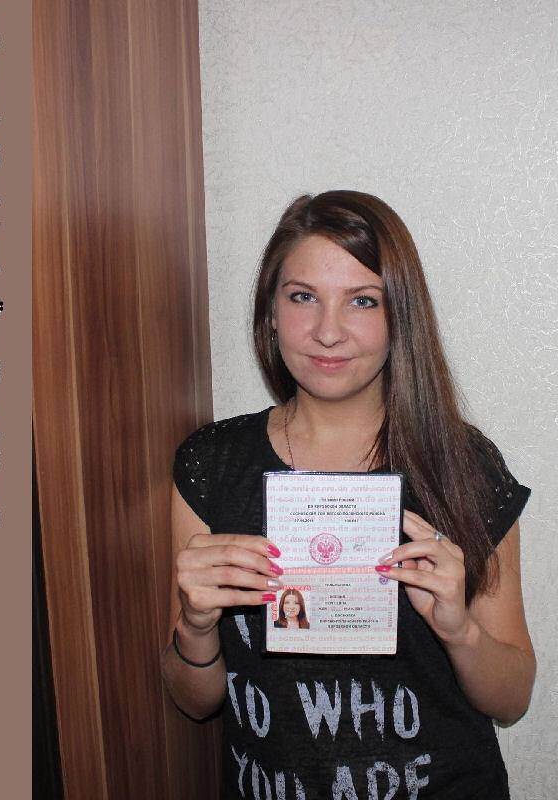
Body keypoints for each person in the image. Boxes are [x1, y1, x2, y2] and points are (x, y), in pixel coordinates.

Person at [161, 190, 535, 799]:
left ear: (399, 318)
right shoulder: (212, 465)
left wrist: (459, 630)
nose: (327, 332)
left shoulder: (462, 464)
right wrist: (196, 626)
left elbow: (512, 697)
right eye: (302, 296)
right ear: (270, 312)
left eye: (362, 300)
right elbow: (193, 700)